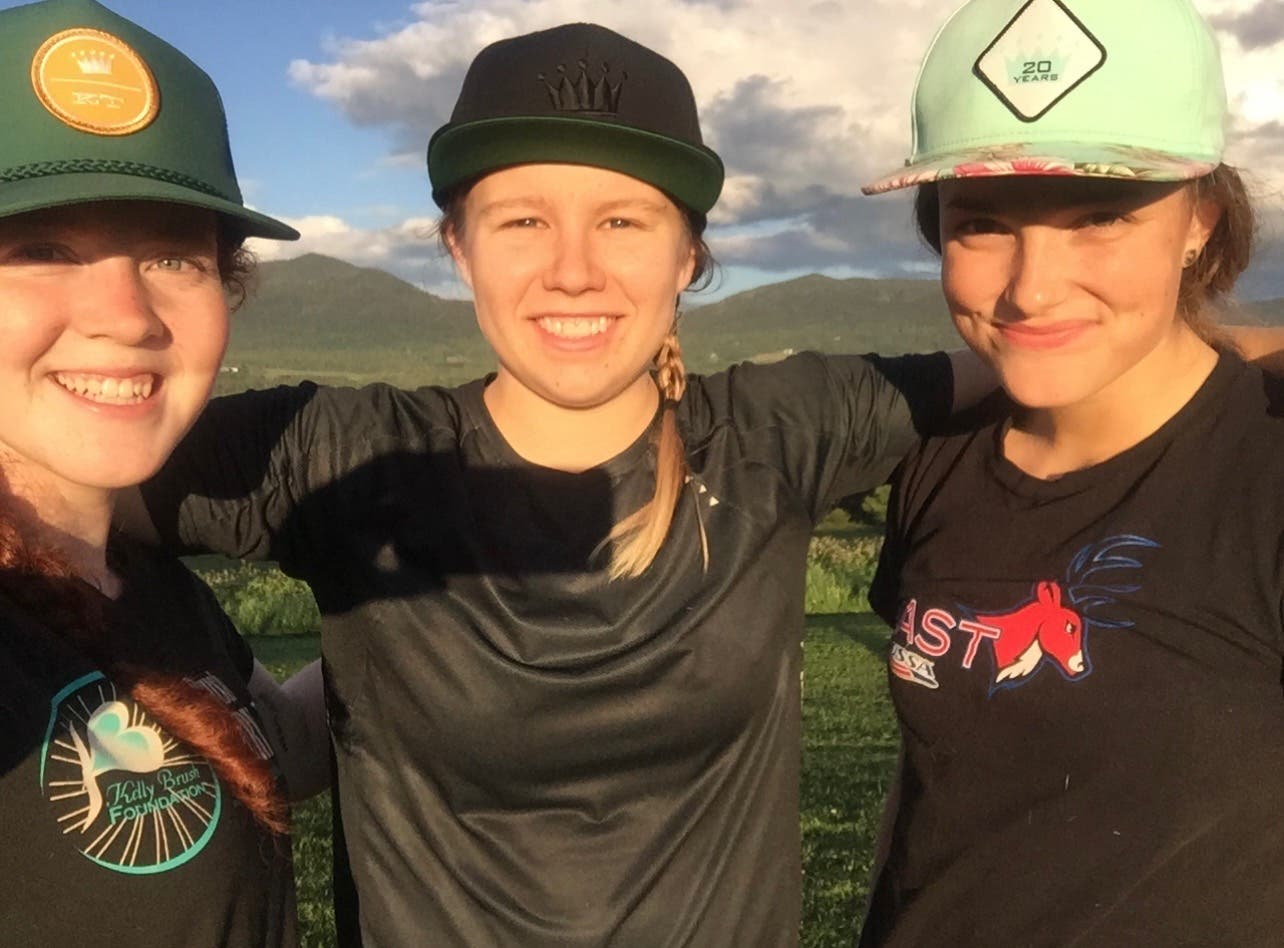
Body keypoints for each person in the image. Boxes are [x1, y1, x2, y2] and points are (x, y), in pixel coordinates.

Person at [124, 21, 976, 946]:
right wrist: (227, 695)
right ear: (459, 247)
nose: (574, 272)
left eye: (623, 221)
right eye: (523, 221)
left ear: (688, 255)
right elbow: (50, 488)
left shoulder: (776, 434)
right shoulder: (344, 453)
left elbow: (1043, 360)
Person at [860, 0, 1284, 944]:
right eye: (982, 223)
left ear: (1201, 222)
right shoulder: (938, 460)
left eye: (1100, 216)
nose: (1033, 288)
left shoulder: (1264, 478)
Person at [0, 0, 319, 944]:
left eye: (175, 255)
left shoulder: (155, 589)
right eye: (41, 250)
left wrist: (459, 623)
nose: (129, 316)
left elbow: (275, 745)